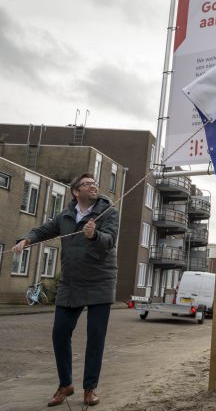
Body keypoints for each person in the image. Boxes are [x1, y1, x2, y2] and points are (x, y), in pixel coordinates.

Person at [12, 173, 118, 407]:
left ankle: (89, 388)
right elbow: (42, 231)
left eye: (95, 184)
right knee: (60, 333)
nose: (93, 187)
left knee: (95, 338)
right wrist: (26, 240)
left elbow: (110, 240)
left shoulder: (108, 211)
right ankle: (65, 384)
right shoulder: (66, 215)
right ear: (75, 191)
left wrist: (94, 235)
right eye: (87, 184)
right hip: (71, 283)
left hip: (100, 282)